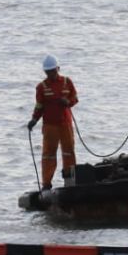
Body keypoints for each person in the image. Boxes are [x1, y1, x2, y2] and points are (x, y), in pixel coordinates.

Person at [27, 54, 78, 190]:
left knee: (69, 152)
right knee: (48, 154)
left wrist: (68, 102)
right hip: (50, 126)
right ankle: (46, 184)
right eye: (48, 72)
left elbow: (75, 98)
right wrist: (34, 119)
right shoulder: (41, 87)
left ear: (58, 69)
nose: (51, 74)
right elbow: (39, 106)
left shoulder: (67, 82)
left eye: (53, 71)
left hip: (65, 124)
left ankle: (70, 180)